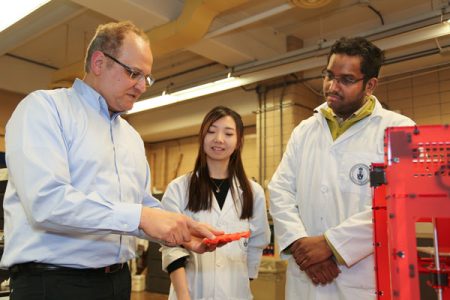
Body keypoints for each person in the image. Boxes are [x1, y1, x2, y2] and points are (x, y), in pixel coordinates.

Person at [1, 21, 222, 300]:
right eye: (134, 73)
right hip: (55, 282)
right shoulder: (46, 110)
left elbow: (141, 206)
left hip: (117, 282)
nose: (142, 86)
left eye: (147, 78)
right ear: (98, 63)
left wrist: (182, 229)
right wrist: (142, 216)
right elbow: (47, 202)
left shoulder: (131, 137)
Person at [268, 36, 415, 300]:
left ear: (370, 85)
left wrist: (331, 245)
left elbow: (399, 203)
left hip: (360, 278)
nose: (332, 87)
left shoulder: (400, 130)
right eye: (328, 76)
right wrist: (300, 243)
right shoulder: (305, 130)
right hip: (305, 277)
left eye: (346, 80)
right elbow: (280, 190)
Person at [160, 106, 271, 300]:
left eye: (228, 133)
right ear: (202, 137)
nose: (219, 139)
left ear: (238, 142)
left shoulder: (253, 192)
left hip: (236, 293)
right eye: (211, 131)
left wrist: (243, 281)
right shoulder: (178, 188)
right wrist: (184, 295)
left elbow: (257, 242)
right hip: (190, 292)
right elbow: (171, 247)